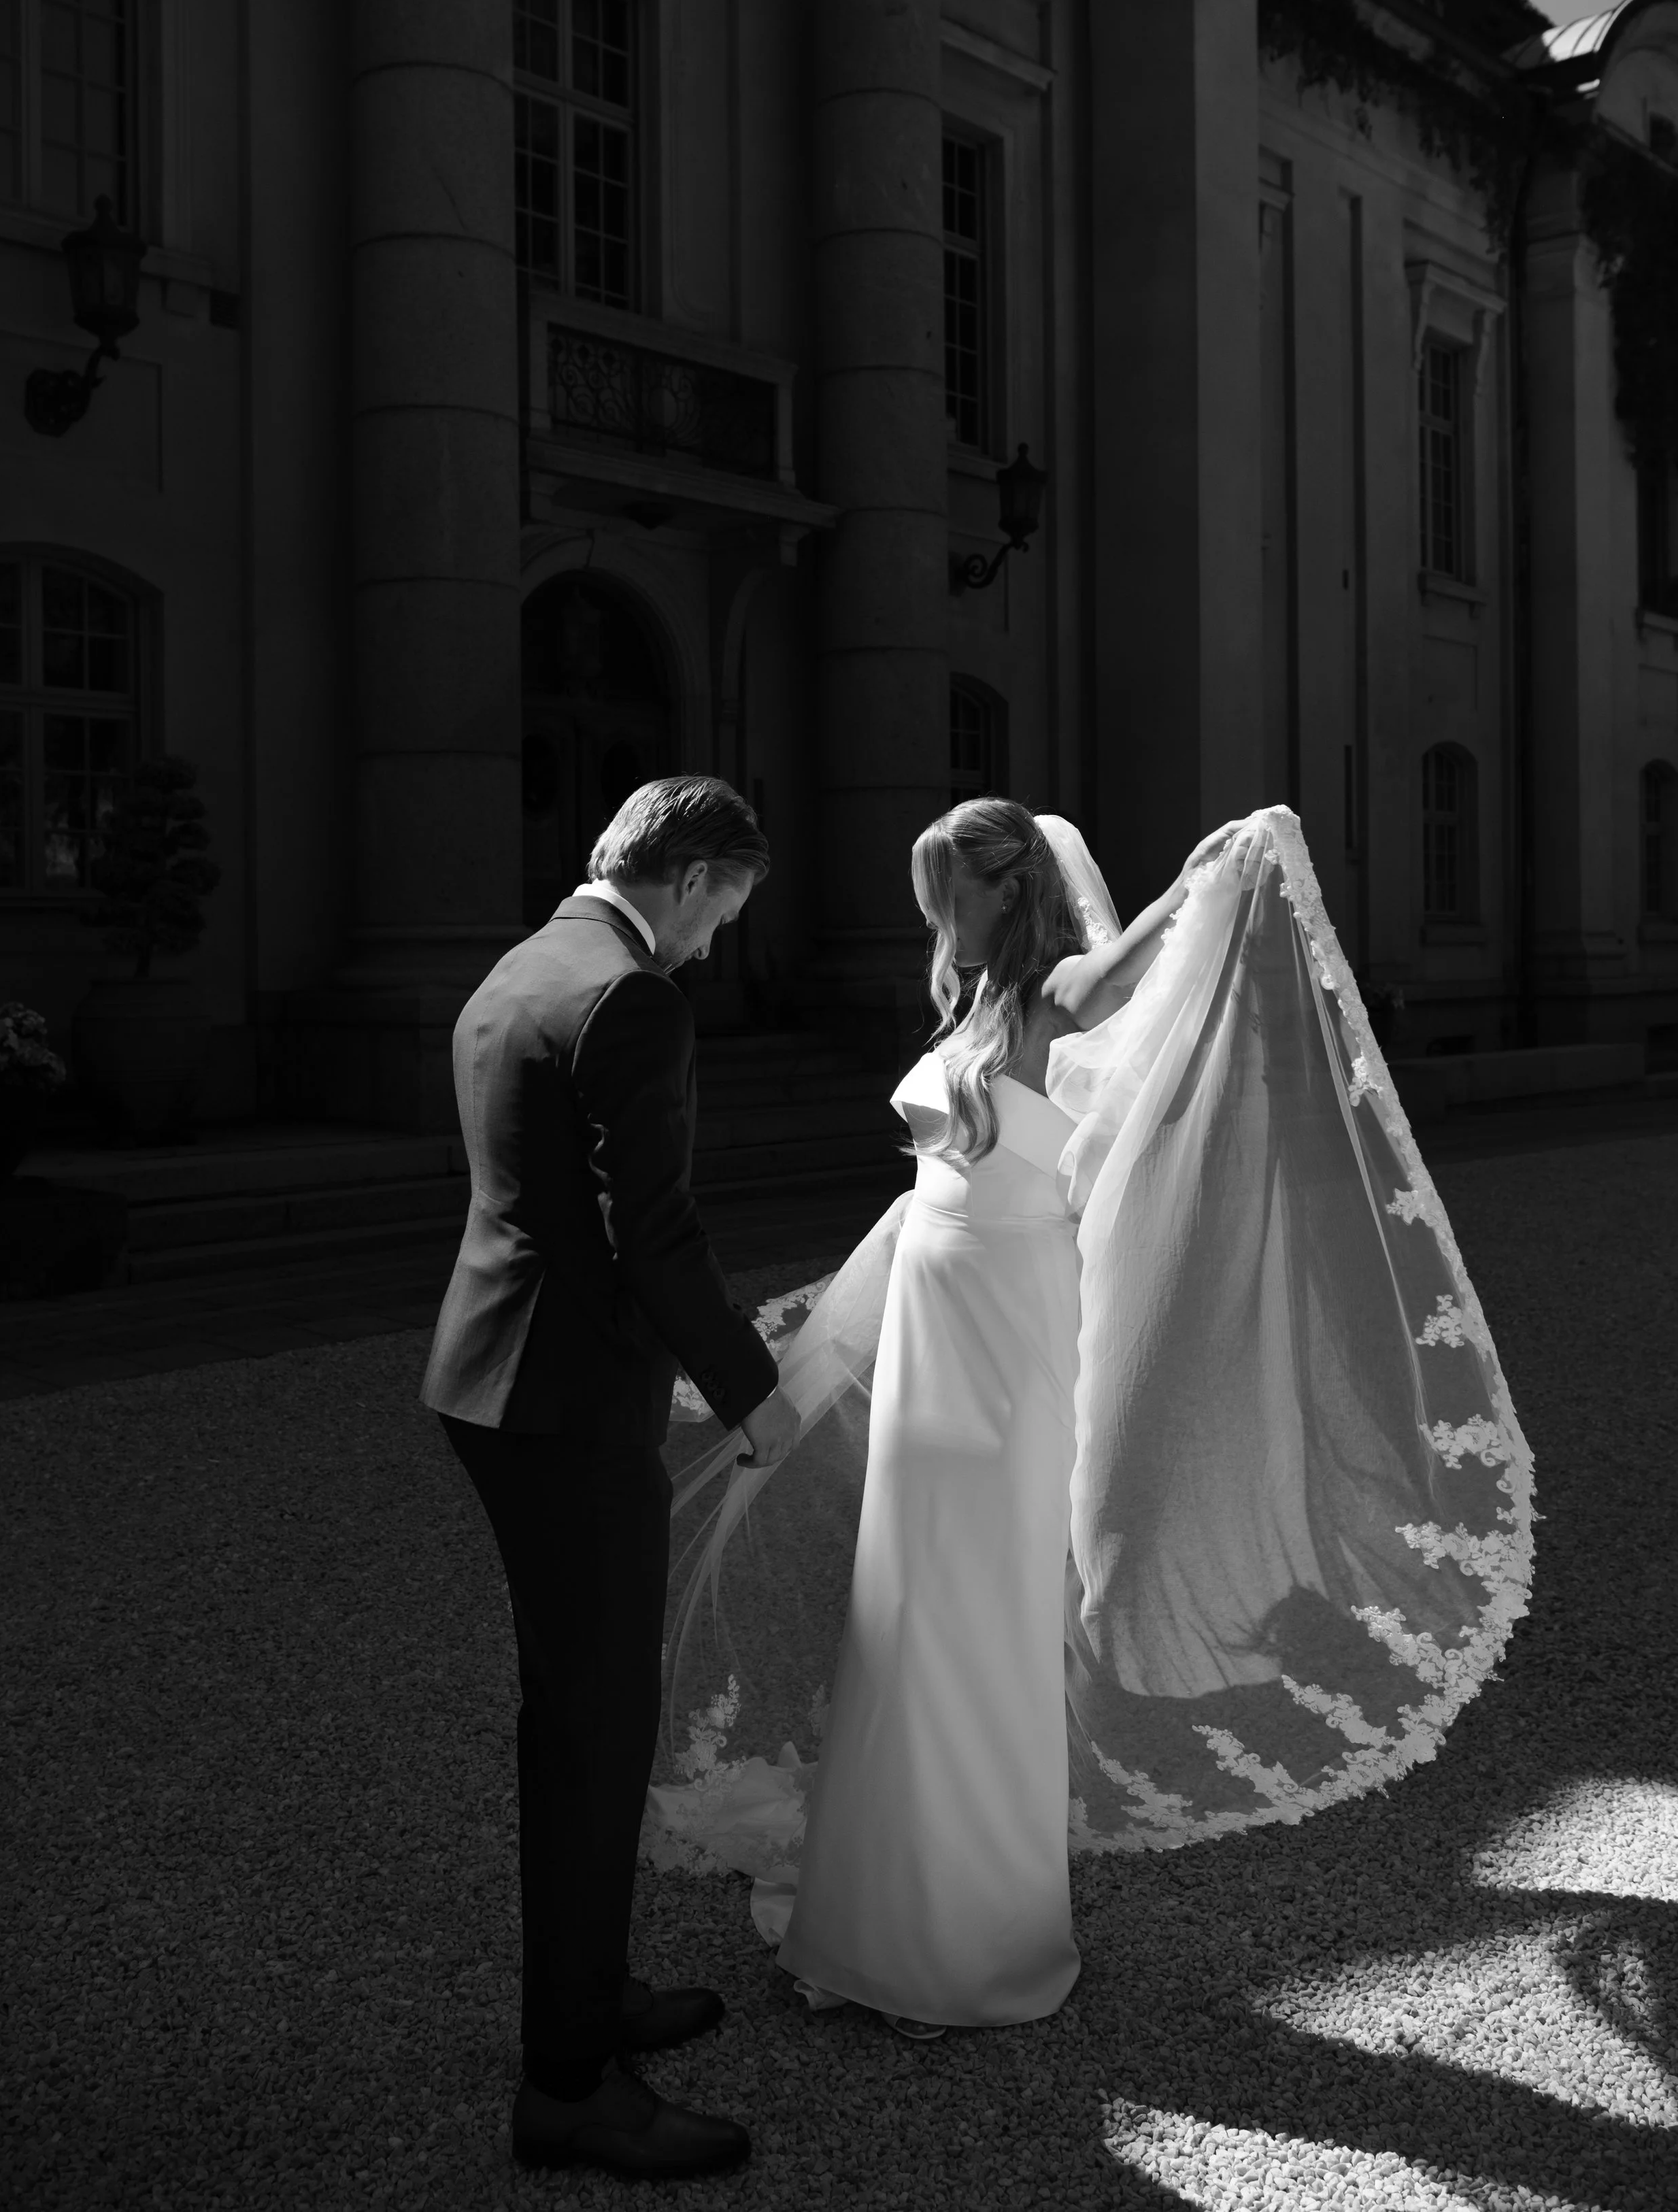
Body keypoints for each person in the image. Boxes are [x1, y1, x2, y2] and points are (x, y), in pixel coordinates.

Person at [648, 800, 1532, 2040]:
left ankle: (963, 1940)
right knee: (898, 1616)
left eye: (944, 889)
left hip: (1008, 1352)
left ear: (1006, 890)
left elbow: (1154, 948)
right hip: (933, 1349)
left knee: (976, 1624)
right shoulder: (969, 1008)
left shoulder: (1063, 988)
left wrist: (1212, 866)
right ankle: (873, 1913)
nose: (927, 913)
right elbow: (933, 1194)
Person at [422, 775, 801, 2180]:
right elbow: (653, 1231)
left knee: (574, 1721)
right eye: (728, 912)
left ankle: (586, 1995)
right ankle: (571, 2085)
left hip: (495, 1375)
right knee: (593, 1732)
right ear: (692, 879)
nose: (717, 944)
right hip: (568, 1403)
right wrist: (751, 1393)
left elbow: (555, 1209)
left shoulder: (524, 966)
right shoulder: (634, 998)